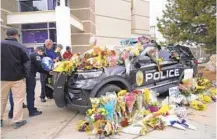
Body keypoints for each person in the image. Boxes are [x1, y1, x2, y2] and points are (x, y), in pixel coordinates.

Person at [1, 28, 30, 129]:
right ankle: (17, 121)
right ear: (16, 35)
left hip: (2, 77)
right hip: (17, 77)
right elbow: (27, 63)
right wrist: (26, 75)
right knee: (18, 99)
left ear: (7, 34)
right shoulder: (21, 46)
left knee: (1, 99)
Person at [27, 46, 51, 117]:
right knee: (30, 93)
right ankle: (32, 111)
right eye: (42, 52)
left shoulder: (30, 54)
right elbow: (40, 67)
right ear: (39, 51)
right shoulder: (36, 55)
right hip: (30, 76)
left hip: (26, 75)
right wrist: (48, 72)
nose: (42, 54)